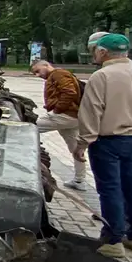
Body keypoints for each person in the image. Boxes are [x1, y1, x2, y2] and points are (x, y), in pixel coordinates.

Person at [74, 33, 132, 260]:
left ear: (102, 52)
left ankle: (113, 240)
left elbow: (92, 112)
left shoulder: (101, 77)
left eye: (95, 50)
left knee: (110, 189)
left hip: (107, 142)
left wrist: (82, 142)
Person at [30, 60, 88, 189]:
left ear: (46, 65)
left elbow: (69, 92)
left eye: (38, 71)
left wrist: (57, 109)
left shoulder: (58, 74)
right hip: (74, 117)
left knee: (28, 128)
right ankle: (80, 181)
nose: (37, 75)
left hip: (65, 116)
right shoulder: (58, 75)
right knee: (76, 149)